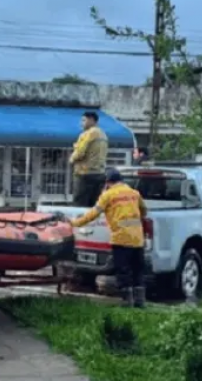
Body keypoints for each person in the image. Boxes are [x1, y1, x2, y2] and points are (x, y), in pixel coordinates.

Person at [70, 167, 148, 308]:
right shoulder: (134, 193)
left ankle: (127, 302)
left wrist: (74, 223)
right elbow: (144, 211)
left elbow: (92, 214)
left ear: (107, 182)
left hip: (121, 238)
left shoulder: (108, 195)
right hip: (137, 238)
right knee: (137, 270)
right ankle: (140, 302)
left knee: (123, 270)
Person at [70, 111, 108, 207]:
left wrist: (71, 159)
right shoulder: (103, 135)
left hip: (85, 174)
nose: (81, 123)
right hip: (100, 174)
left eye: (83, 120)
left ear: (91, 120)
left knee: (80, 205)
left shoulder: (87, 134)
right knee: (94, 205)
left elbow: (80, 153)